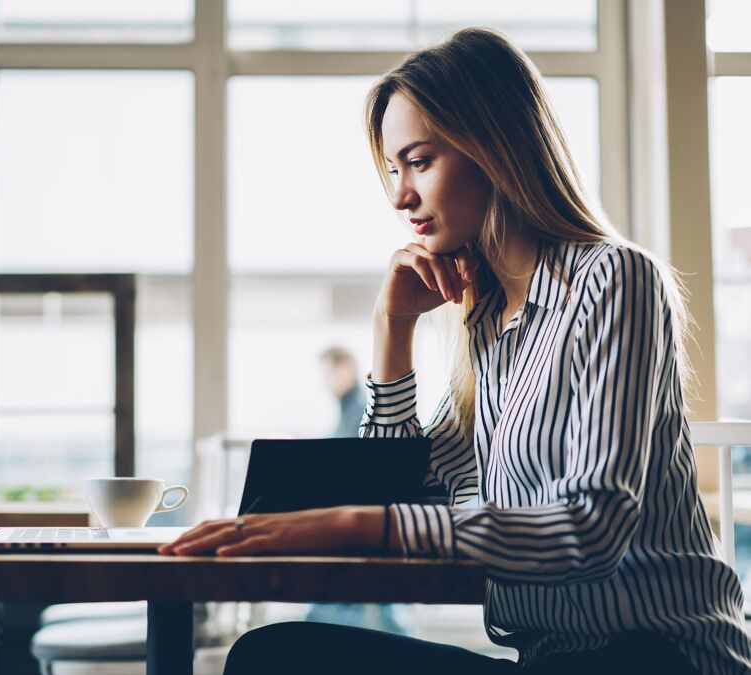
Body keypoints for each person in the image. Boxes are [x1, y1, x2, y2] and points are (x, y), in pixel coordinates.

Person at [160, 28, 751, 674]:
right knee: (272, 653)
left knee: (273, 660)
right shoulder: (492, 323)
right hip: (552, 660)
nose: (399, 195)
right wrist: (393, 329)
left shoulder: (615, 280)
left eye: (419, 160)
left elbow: (592, 527)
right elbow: (397, 485)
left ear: (493, 148)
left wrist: (354, 523)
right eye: (393, 168)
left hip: (659, 659)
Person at [303, 345, 410, 635]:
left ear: (345, 369)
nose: (325, 383)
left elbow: (349, 469)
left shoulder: (357, 413)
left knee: (340, 605)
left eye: (329, 373)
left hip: (361, 520)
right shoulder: (349, 411)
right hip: (362, 519)